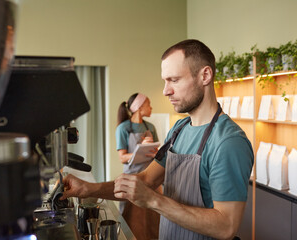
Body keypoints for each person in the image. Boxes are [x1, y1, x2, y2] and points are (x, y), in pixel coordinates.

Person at [60, 39, 254, 240]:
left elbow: (226, 226)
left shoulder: (229, 142)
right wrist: (89, 188)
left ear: (205, 75)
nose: (165, 90)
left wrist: (154, 201)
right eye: (165, 81)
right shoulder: (179, 129)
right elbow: (147, 179)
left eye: (174, 80)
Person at [115, 93, 161, 240]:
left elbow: (157, 153)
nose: (151, 107)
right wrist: (138, 151)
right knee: (132, 223)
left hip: (151, 180)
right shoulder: (123, 128)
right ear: (140, 107)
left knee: (153, 222)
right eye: (148, 104)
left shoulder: (150, 127)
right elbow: (122, 157)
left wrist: (152, 150)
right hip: (132, 180)